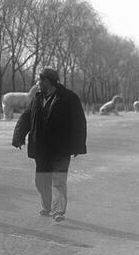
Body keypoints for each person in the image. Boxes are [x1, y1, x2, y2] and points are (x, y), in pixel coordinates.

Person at [11, 67, 87, 223]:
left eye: (39, 80)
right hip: (41, 149)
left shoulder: (69, 98)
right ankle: (47, 206)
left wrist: (78, 144)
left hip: (61, 148)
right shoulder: (37, 99)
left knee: (58, 181)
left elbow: (80, 122)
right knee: (41, 181)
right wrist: (18, 137)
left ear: (48, 81)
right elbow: (26, 118)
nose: (37, 84)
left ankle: (59, 211)